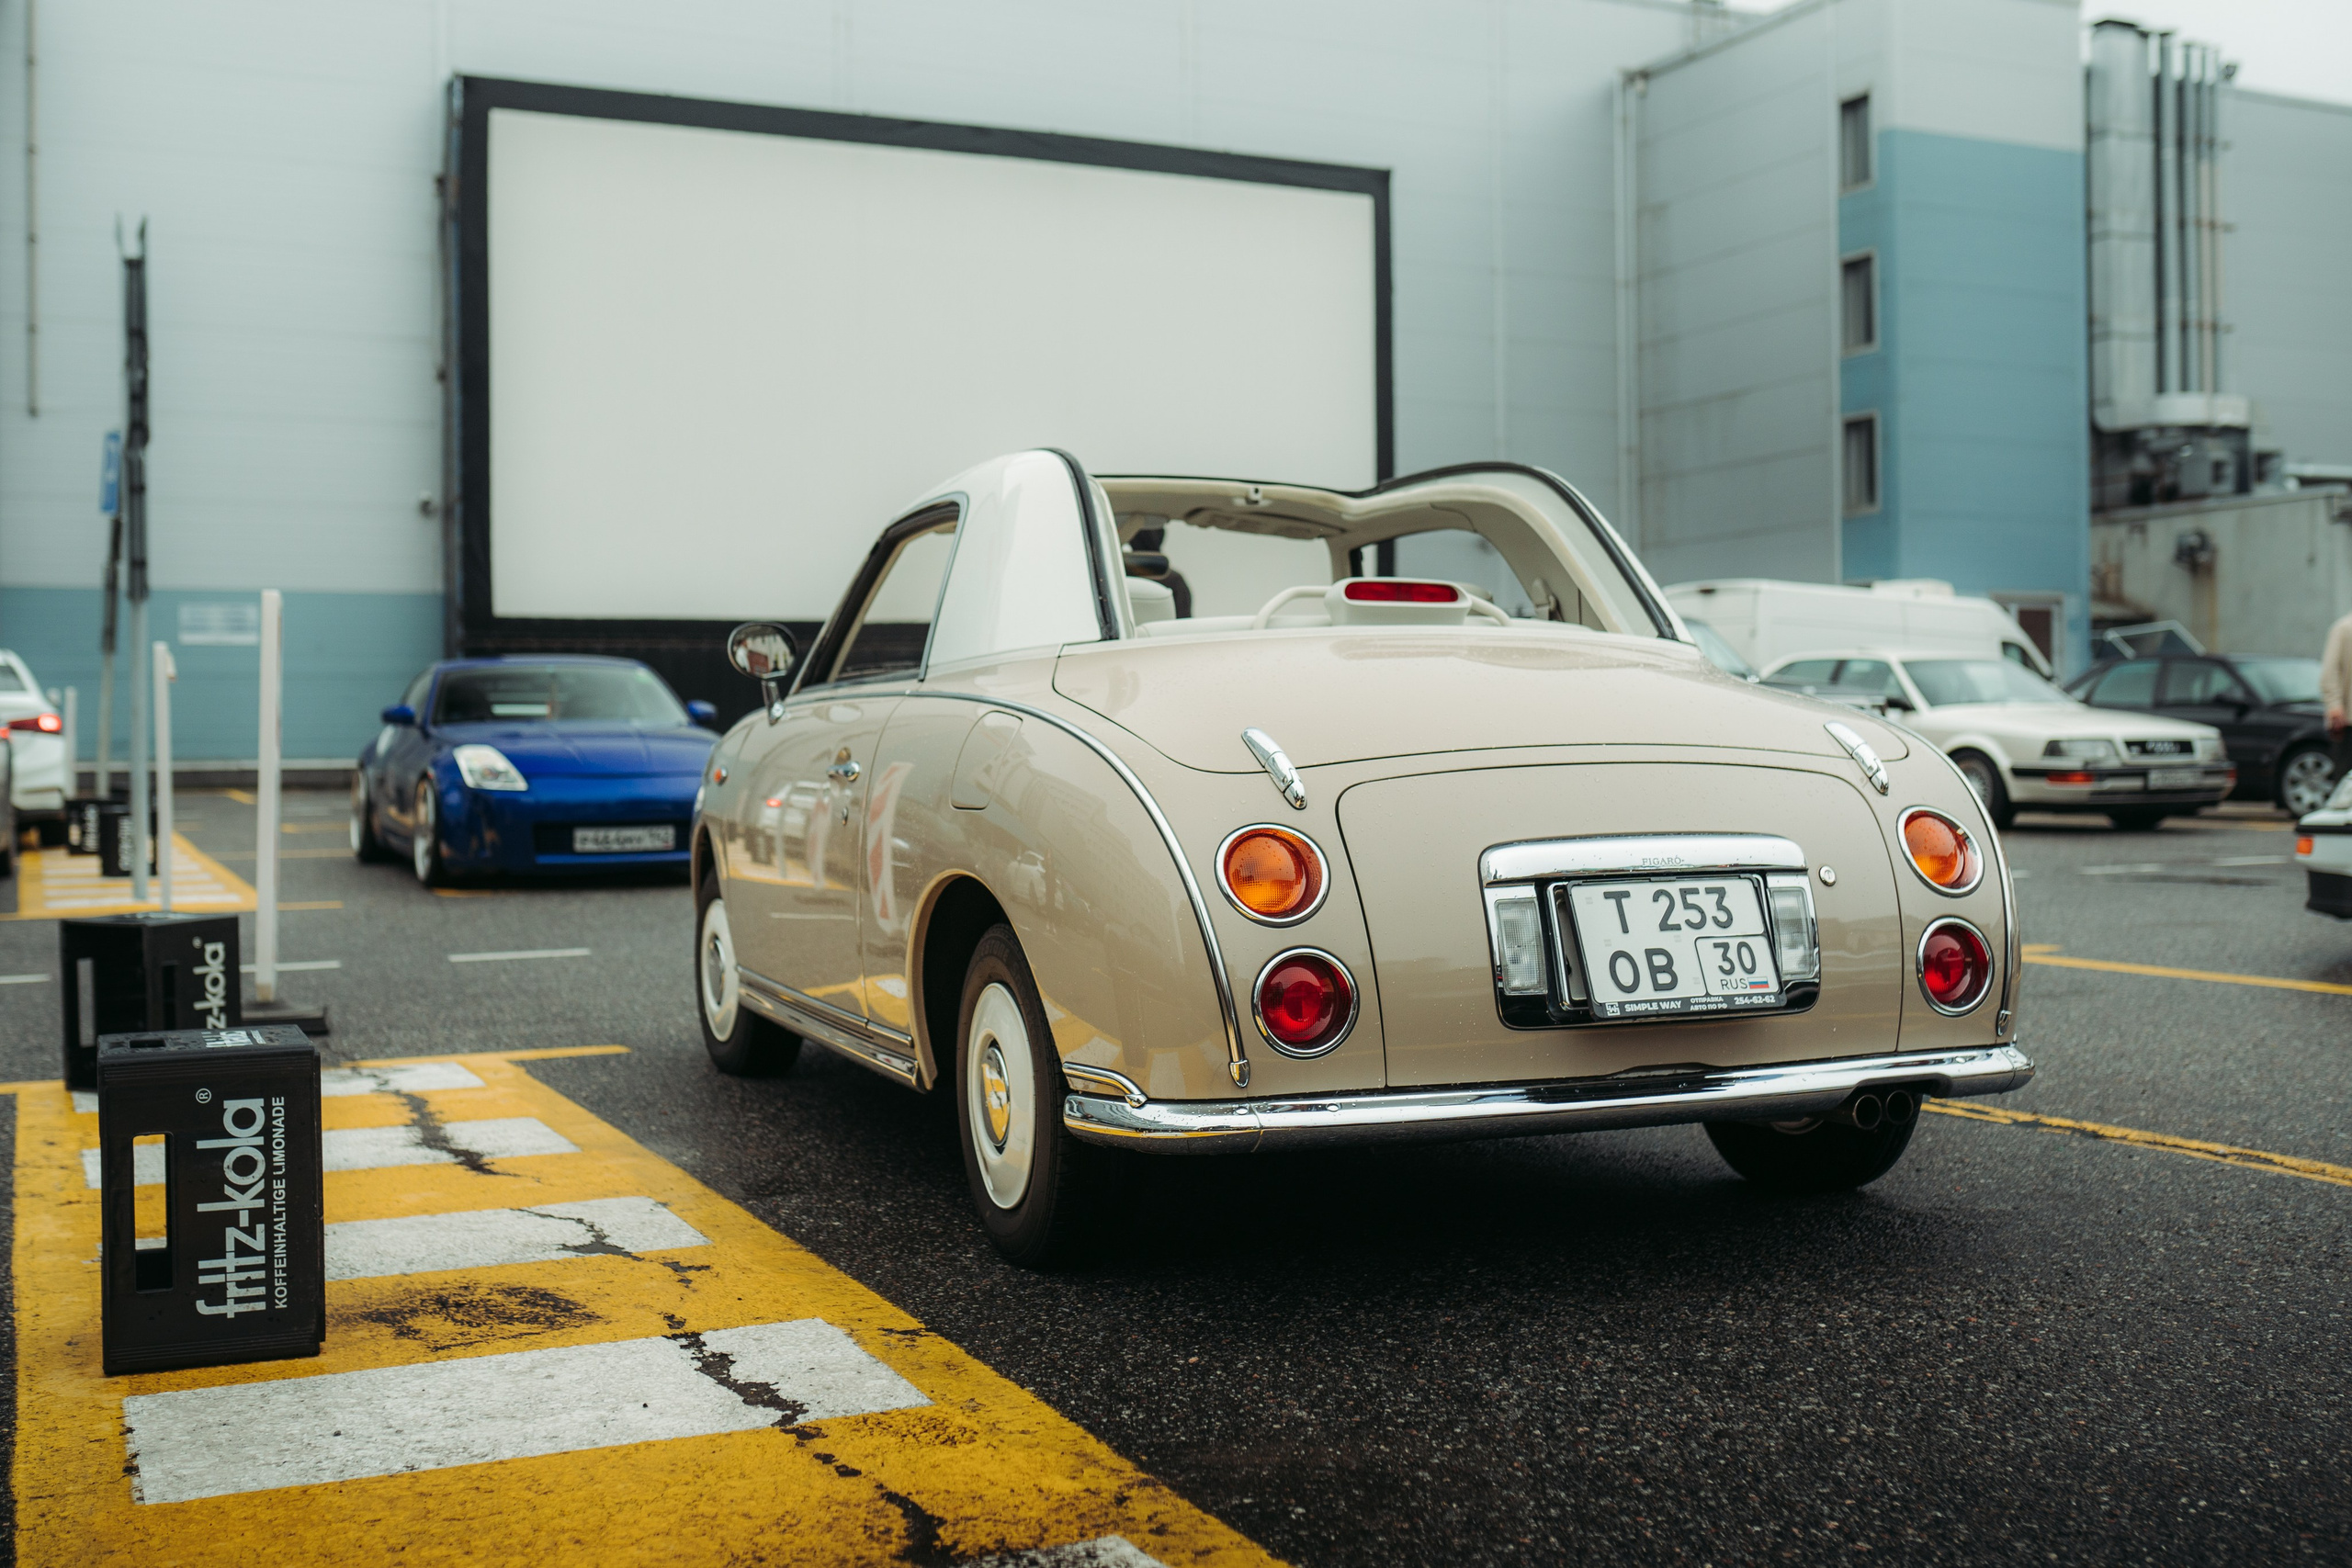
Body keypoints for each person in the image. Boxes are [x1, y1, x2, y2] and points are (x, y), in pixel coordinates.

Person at [2324, 606, 2352, 796]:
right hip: (2348, 721)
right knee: (2344, 780)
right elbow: (2329, 672)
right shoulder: (2344, 628)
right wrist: (2335, 706)